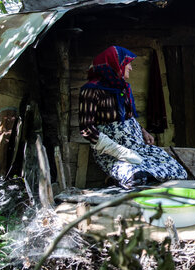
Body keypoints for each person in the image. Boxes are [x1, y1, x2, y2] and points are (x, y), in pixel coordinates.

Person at [79, 46, 187, 189]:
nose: (130, 68)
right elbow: (86, 128)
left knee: (177, 170)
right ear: (115, 64)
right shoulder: (91, 90)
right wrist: (119, 151)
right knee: (136, 177)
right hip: (113, 153)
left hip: (137, 147)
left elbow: (128, 116)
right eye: (127, 64)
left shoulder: (122, 88)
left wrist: (143, 131)